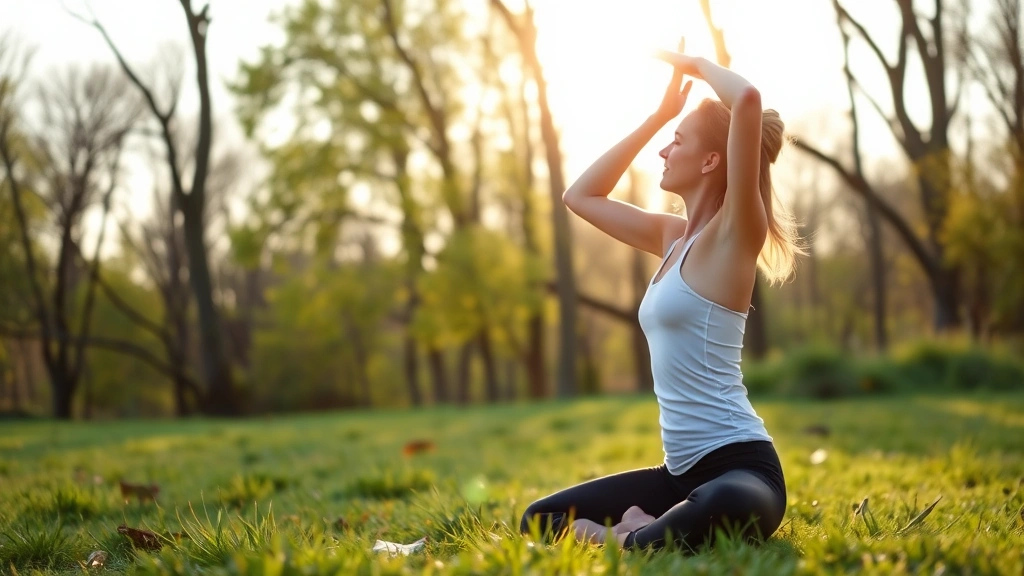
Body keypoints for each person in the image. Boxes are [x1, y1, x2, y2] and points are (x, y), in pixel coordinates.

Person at [518, 40, 803, 551]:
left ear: (713, 158)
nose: (664, 151)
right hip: (678, 475)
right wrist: (659, 116)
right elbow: (580, 196)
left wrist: (695, 64)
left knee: (720, 505)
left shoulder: (734, 236)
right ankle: (642, 530)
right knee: (541, 517)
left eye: (677, 140)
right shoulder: (672, 238)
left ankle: (628, 536)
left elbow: (748, 101)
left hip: (742, 469)